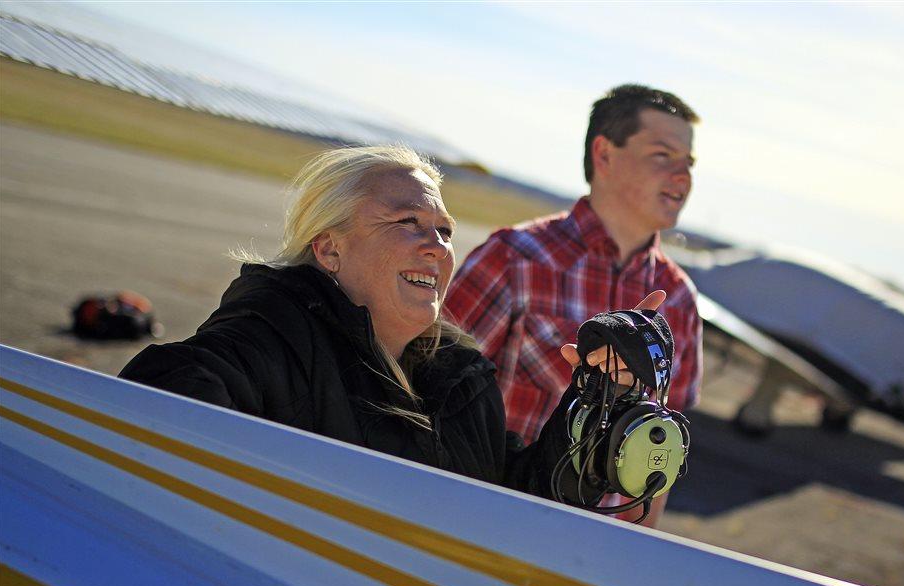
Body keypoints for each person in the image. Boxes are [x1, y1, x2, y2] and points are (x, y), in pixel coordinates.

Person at [120, 145, 659, 499]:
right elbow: (149, 404)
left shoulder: (462, 374)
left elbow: (512, 499)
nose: (436, 248)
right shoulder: (271, 335)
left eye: (444, 231)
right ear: (329, 248)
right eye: (407, 222)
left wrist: (598, 400)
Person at [445, 84, 703, 526]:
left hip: (594, 554)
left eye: (689, 162)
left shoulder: (679, 300)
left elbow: (661, 464)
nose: (683, 176)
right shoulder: (513, 259)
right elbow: (430, 393)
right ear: (603, 155)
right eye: (663, 155)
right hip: (487, 524)